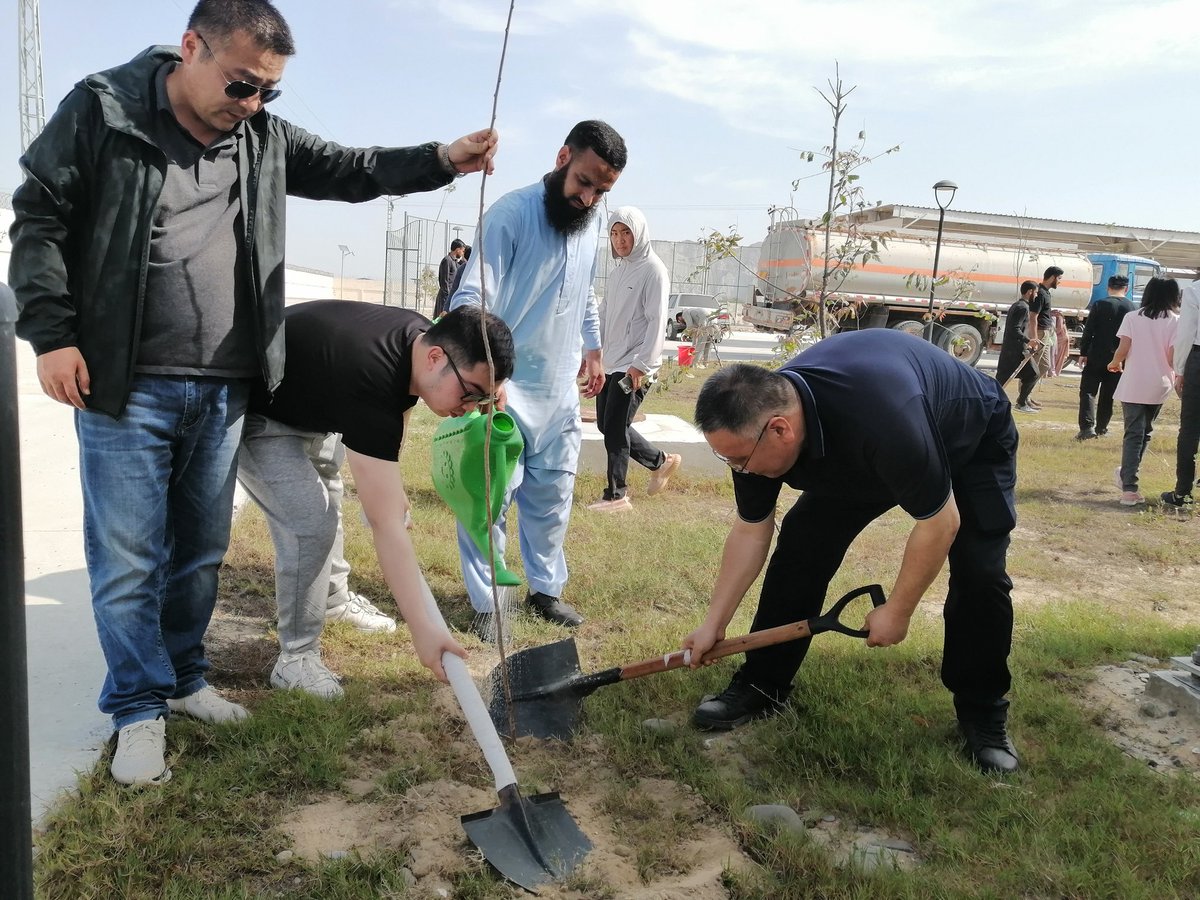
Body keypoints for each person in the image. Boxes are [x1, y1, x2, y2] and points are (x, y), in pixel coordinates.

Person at [7, 0, 497, 786]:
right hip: (125, 382)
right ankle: (138, 709)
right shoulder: (102, 108)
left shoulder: (259, 135)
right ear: (191, 47)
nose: (254, 103)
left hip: (229, 386)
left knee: (198, 553)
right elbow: (40, 216)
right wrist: (53, 332)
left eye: (268, 91)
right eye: (242, 85)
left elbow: (352, 169)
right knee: (131, 557)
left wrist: (443, 157)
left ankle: (186, 677)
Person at [682, 328, 1022, 774]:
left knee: (980, 572)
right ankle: (762, 684)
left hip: (969, 437)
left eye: (739, 461)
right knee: (802, 544)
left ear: (780, 429)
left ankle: (983, 713)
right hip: (865, 450)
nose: (738, 470)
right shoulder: (753, 425)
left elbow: (940, 522)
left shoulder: (884, 417)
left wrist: (897, 611)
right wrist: (714, 623)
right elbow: (751, 530)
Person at [237, 303, 513, 698]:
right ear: (436, 357)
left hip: (316, 400)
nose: (468, 408)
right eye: (470, 394)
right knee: (310, 525)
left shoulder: (421, 343)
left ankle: (331, 599)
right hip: (260, 410)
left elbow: (399, 400)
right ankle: (296, 657)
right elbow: (385, 526)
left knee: (330, 491)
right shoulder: (372, 373)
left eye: (483, 400)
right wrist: (424, 631)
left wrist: (394, 481)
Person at [450, 120, 626, 632]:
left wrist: (592, 349)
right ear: (562, 158)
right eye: (585, 182)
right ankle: (489, 606)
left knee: (552, 497)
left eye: (602, 190)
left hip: (557, 395)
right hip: (502, 391)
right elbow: (471, 302)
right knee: (489, 501)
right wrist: (487, 377)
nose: (590, 198)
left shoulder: (592, 222)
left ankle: (545, 593)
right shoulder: (510, 215)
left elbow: (585, 292)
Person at [588, 207, 681, 512]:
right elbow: (603, 315)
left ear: (638, 233)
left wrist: (642, 364)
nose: (620, 240)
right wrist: (590, 352)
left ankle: (617, 495)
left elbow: (656, 321)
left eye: (625, 232)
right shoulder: (618, 272)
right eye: (614, 234)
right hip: (611, 362)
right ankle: (660, 462)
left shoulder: (654, 270)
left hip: (636, 365)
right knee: (606, 423)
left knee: (615, 426)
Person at [1108, 277, 1180, 506]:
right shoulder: (1176, 321)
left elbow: (1124, 347)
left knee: (1133, 434)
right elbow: (1171, 357)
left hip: (1134, 383)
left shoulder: (1132, 317)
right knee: (1145, 432)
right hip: (1160, 384)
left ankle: (1129, 487)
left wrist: (1115, 362)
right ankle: (1127, 476)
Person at [1076, 275, 1135, 440]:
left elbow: (1089, 330)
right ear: (1127, 288)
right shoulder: (1132, 307)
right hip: (1118, 356)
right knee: (1108, 394)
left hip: (1096, 354)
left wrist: (1083, 352)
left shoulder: (1100, 304)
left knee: (1088, 391)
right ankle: (1102, 427)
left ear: (1108, 287)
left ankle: (1087, 428)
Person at [1162, 280, 1200, 509]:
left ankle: (1183, 492)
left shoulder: (1195, 290)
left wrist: (1180, 370)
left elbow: (1186, 333)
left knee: (1190, 430)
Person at [995, 281, 1041, 411]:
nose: (1036, 295)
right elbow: (1014, 329)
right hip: (1015, 350)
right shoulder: (1022, 307)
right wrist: (1028, 340)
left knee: (1002, 379)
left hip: (1012, 348)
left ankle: (993, 401)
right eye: (1036, 292)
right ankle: (1021, 403)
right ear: (1030, 292)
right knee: (1033, 373)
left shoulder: (1018, 305)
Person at [1026, 266, 1063, 407]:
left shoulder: (1046, 293)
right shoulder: (1040, 293)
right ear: (1052, 277)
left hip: (1047, 333)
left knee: (1045, 365)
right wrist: (1034, 338)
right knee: (1032, 366)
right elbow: (1033, 317)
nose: (1060, 282)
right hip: (1040, 333)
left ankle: (1028, 394)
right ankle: (1024, 398)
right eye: (1059, 278)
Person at [434, 239, 466, 318]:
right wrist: (448, 301)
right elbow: (444, 282)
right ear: (458, 250)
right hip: (445, 299)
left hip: (450, 299)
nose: (462, 253)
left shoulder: (455, 262)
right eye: (462, 251)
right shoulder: (447, 260)